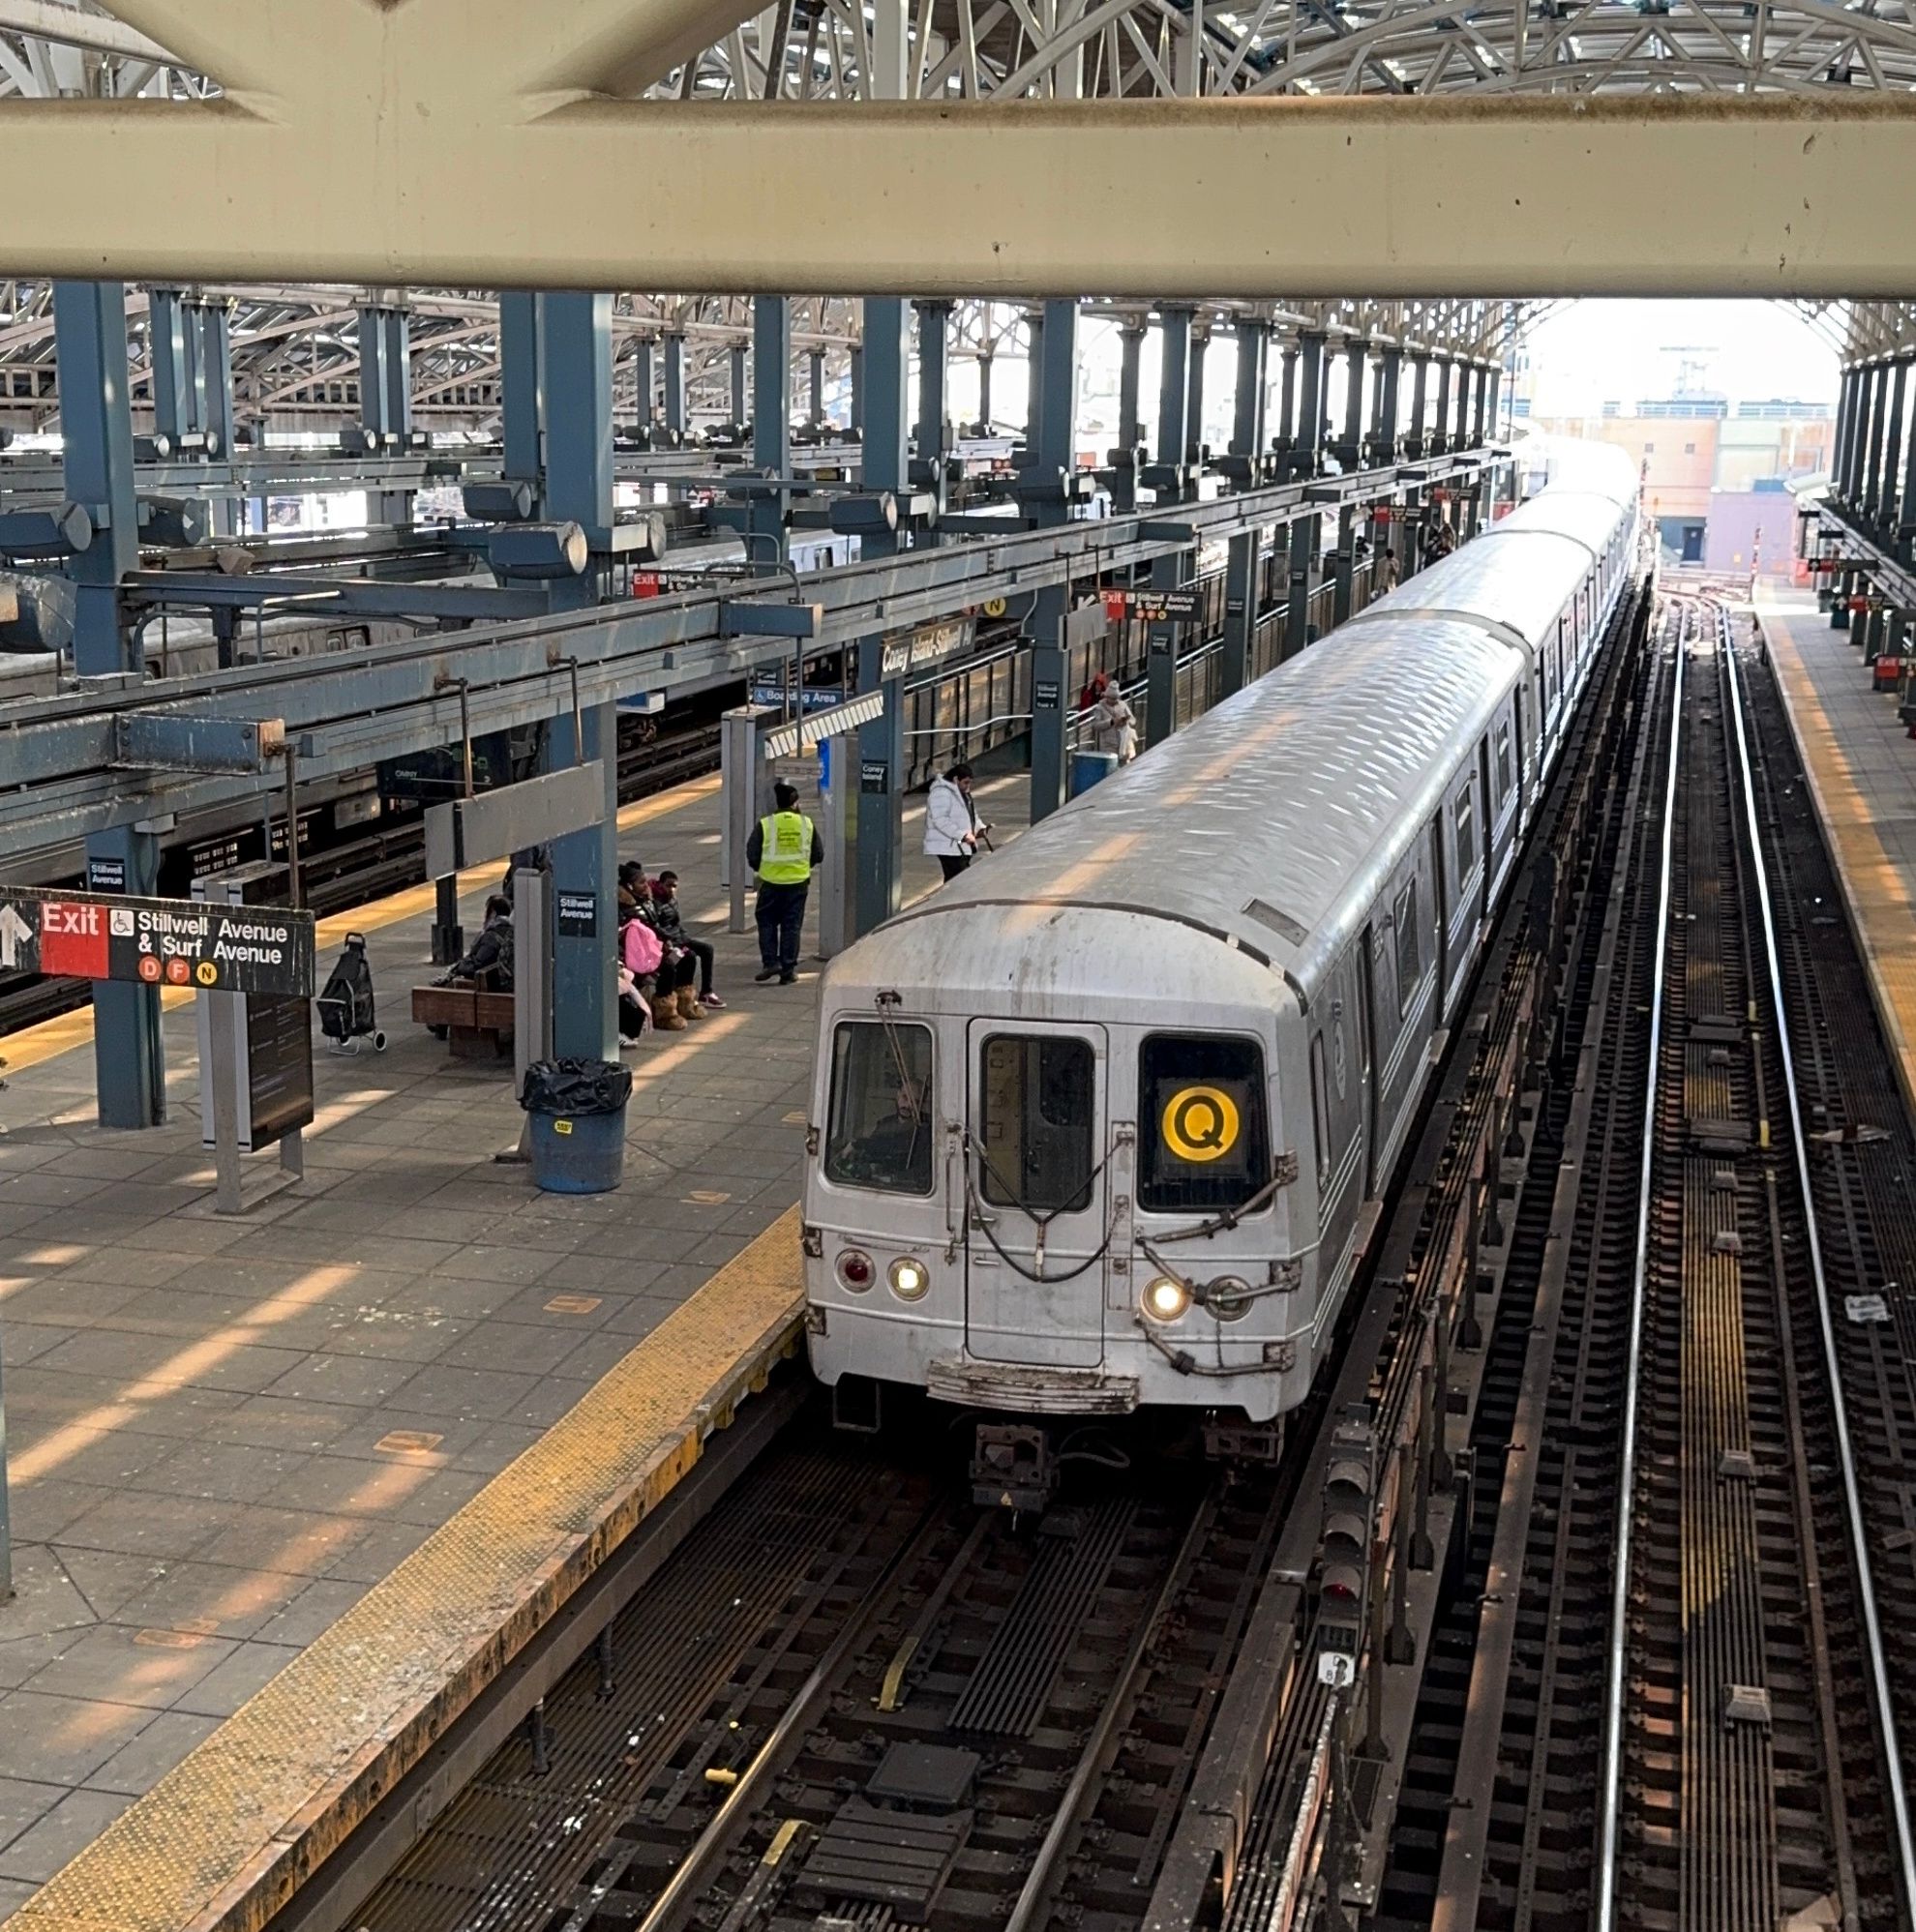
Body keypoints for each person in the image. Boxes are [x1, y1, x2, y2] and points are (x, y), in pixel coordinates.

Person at [745, 781, 823, 985]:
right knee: (792, 926)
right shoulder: (807, 824)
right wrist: (802, 866)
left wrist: (762, 869)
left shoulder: (765, 824)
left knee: (767, 922)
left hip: (770, 884)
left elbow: (752, 854)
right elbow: (818, 854)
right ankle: (788, 970)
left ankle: (770, 962)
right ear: (795, 803)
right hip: (798, 884)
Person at [650, 870, 725, 1008]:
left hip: (679, 938)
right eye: (669, 886)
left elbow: (677, 923)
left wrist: (684, 937)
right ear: (661, 885)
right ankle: (682, 993)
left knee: (707, 949)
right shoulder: (655, 903)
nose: (672, 890)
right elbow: (656, 927)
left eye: (674, 886)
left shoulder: (672, 900)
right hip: (669, 942)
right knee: (687, 957)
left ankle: (706, 992)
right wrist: (671, 940)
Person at [924, 762, 988, 881]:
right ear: (955, 779)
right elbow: (940, 820)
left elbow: (971, 814)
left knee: (955, 879)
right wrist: (962, 835)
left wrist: (980, 828)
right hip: (947, 846)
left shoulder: (963, 793)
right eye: (965, 782)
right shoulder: (941, 793)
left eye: (970, 782)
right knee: (958, 879)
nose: (968, 786)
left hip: (957, 845)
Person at [441, 894, 514, 990]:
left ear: (493, 913)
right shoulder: (511, 931)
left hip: (493, 985)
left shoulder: (491, 937)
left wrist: (460, 966)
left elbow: (478, 965)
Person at [1088, 680, 1139, 763]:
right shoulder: (1100, 708)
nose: (1113, 701)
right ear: (1106, 697)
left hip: (1124, 744)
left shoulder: (1123, 705)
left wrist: (1126, 721)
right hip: (1108, 746)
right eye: (1111, 698)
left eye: (1115, 699)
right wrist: (1111, 722)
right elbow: (1096, 725)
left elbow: (1133, 720)